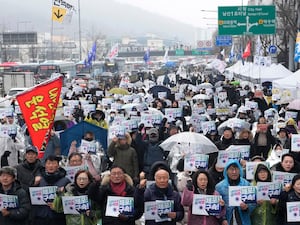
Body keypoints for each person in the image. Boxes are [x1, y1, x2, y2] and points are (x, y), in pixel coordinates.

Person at [32, 155, 71, 225]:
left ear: (58, 165)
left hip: (58, 218)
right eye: (49, 163)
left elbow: (70, 199)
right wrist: (33, 184)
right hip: (40, 216)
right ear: (45, 165)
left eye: (53, 163)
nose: (51, 166)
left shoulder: (65, 181)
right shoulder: (38, 179)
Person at [215, 160, 256, 225]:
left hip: (243, 219)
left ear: (240, 170)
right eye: (231, 169)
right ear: (226, 171)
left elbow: (253, 203)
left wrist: (246, 207)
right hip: (227, 221)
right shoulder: (219, 187)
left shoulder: (246, 184)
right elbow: (217, 206)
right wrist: (222, 219)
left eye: (236, 169)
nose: (234, 172)